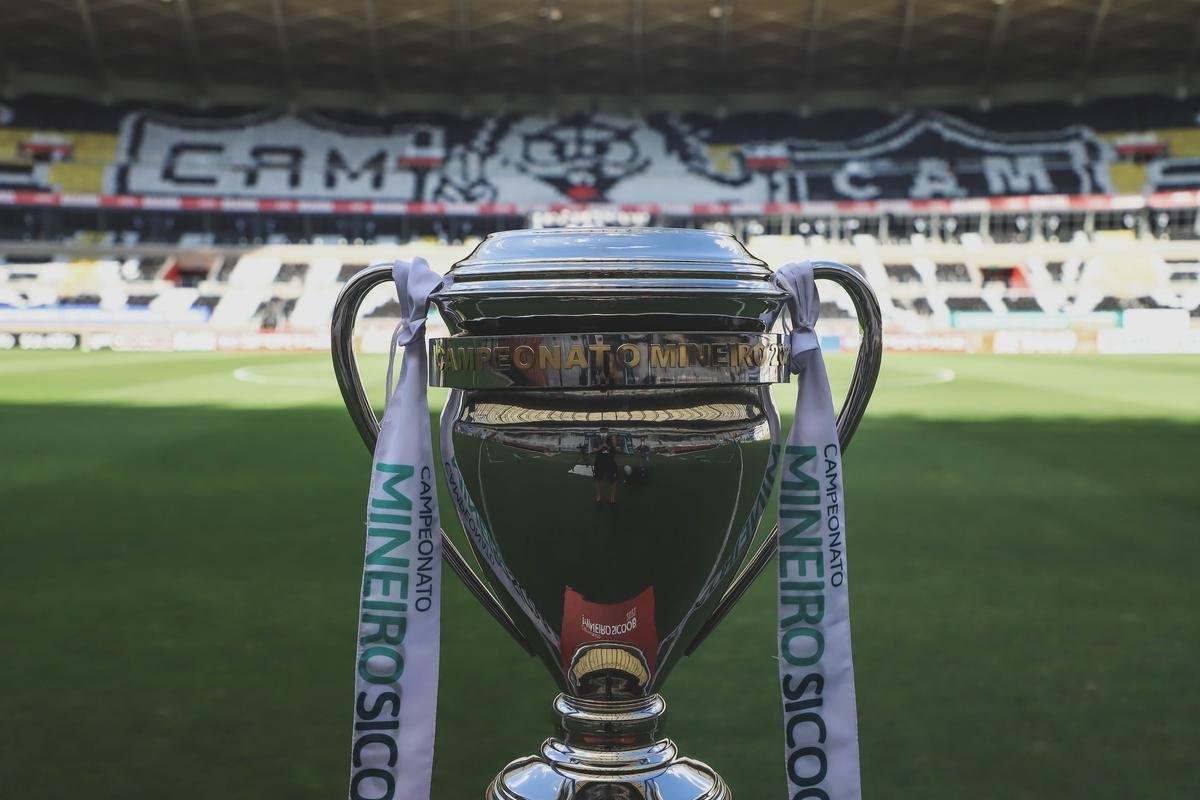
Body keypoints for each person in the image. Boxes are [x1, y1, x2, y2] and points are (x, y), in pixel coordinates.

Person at [593, 433, 619, 510]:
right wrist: (601, 446)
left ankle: (612, 499)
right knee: (598, 480)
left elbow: (616, 447)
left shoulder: (612, 440)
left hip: (610, 464)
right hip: (599, 463)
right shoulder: (596, 439)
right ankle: (598, 498)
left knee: (613, 481)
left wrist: (609, 443)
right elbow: (594, 450)